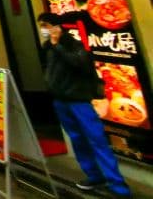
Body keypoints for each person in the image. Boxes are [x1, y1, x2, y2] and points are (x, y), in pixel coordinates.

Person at [37, 13, 131, 196]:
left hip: (79, 101)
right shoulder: (46, 47)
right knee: (77, 140)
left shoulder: (74, 44)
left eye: (46, 24)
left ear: (57, 26)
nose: (44, 29)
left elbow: (79, 63)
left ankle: (118, 185)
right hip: (60, 100)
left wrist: (58, 46)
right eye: (42, 25)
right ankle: (94, 176)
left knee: (96, 140)